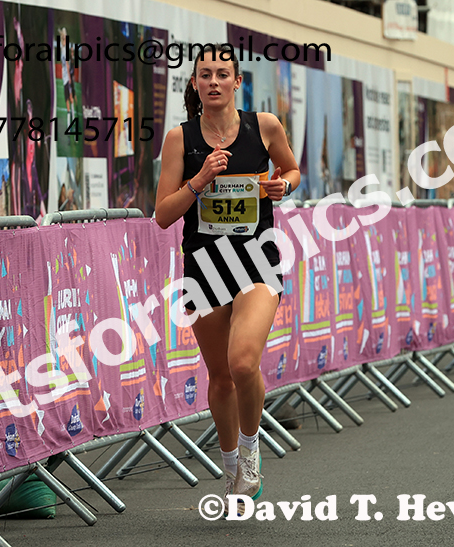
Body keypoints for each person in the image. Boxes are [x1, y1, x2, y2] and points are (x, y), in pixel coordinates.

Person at [154, 44, 300, 506]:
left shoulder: (264, 126)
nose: (213, 81)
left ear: (238, 82)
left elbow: (292, 170)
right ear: (195, 84)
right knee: (219, 376)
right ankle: (231, 460)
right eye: (205, 74)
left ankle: (253, 452)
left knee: (242, 363)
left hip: (256, 258)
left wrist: (283, 185)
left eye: (222, 73)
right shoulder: (181, 139)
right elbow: (161, 214)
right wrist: (199, 181)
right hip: (204, 266)